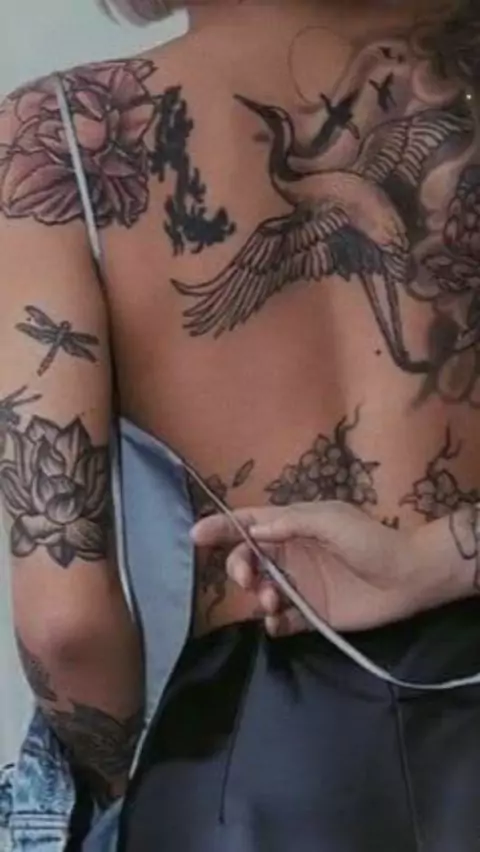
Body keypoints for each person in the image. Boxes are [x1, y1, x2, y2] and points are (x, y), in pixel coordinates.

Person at [0, 0, 479, 849]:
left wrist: (128, 783)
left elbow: (66, 625)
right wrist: (434, 559)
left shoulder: (58, 137)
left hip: (247, 763)